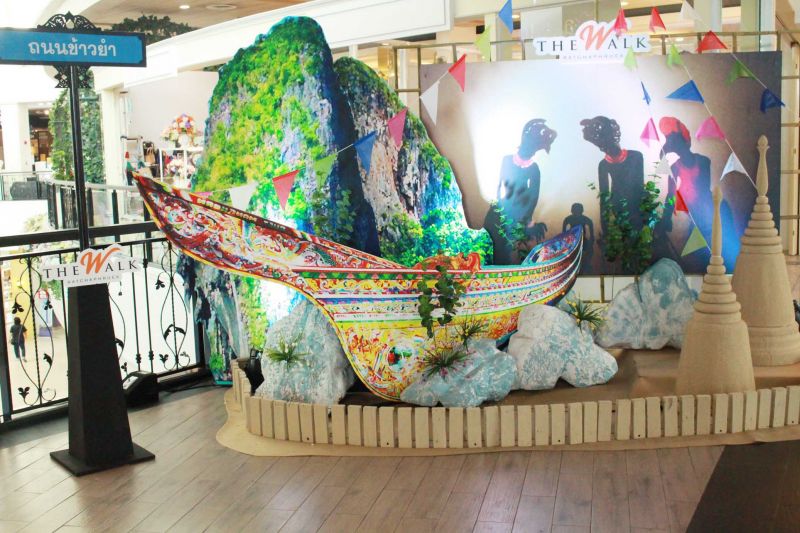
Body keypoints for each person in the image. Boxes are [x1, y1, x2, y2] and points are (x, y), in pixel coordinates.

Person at [659, 116, 738, 269]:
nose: (676, 147)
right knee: (699, 259)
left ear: (684, 142)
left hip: (716, 212)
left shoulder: (702, 161)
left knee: (724, 252)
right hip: (697, 218)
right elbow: (670, 197)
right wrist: (665, 219)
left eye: (676, 143)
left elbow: (702, 193)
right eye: (673, 145)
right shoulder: (674, 168)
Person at [483, 118, 557, 264]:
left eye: (534, 146)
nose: (531, 149)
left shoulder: (534, 169)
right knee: (494, 245)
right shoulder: (507, 160)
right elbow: (500, 184)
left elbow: (533, 196)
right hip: (502, 209)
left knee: (511, 250)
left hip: (519, 214)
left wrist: (527, 219)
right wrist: (498, 206)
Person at [581, 116, 646, 239]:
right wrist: (605, 229)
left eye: (606, 141)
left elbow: (640, 187)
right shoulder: (603, 165)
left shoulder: (636, 156)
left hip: (637, 209)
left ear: (613, 136)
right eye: (602, 144)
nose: (605, 147)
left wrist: (644, 213)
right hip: (619, 209)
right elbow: (604, 198)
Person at [562, 202, 594, 269]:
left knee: (590, 251)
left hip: (582, 239)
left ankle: (585, 264)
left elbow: (592, 235)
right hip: (572, 241)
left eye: (578, 210)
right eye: (575, 210)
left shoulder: (569, 219)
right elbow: (563, 234)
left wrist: (591, 242)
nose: (576, 213)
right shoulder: (569, 219)